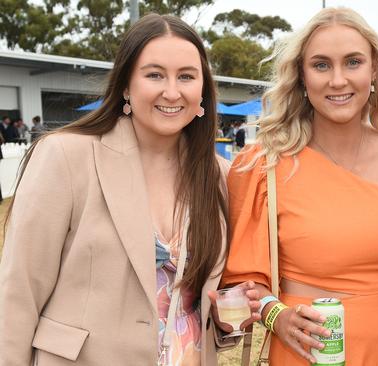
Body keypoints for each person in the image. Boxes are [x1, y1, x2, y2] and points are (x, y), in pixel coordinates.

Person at [0, 14, 260, 365]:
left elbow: (207, 304)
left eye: (186, 76)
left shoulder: (218, 175)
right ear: (125, 85)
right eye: (154, 75)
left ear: (202, 89)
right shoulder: (66, 155)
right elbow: (18, 294)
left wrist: (228, 318)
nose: (172, 91)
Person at [222, 7, 378, 365]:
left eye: (353, 62)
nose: (338, 80)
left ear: (374, 68)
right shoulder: (261, 164)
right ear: (301, 75)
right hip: (307, 352)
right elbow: (240, 282)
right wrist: (275, 316)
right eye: (321, 65)